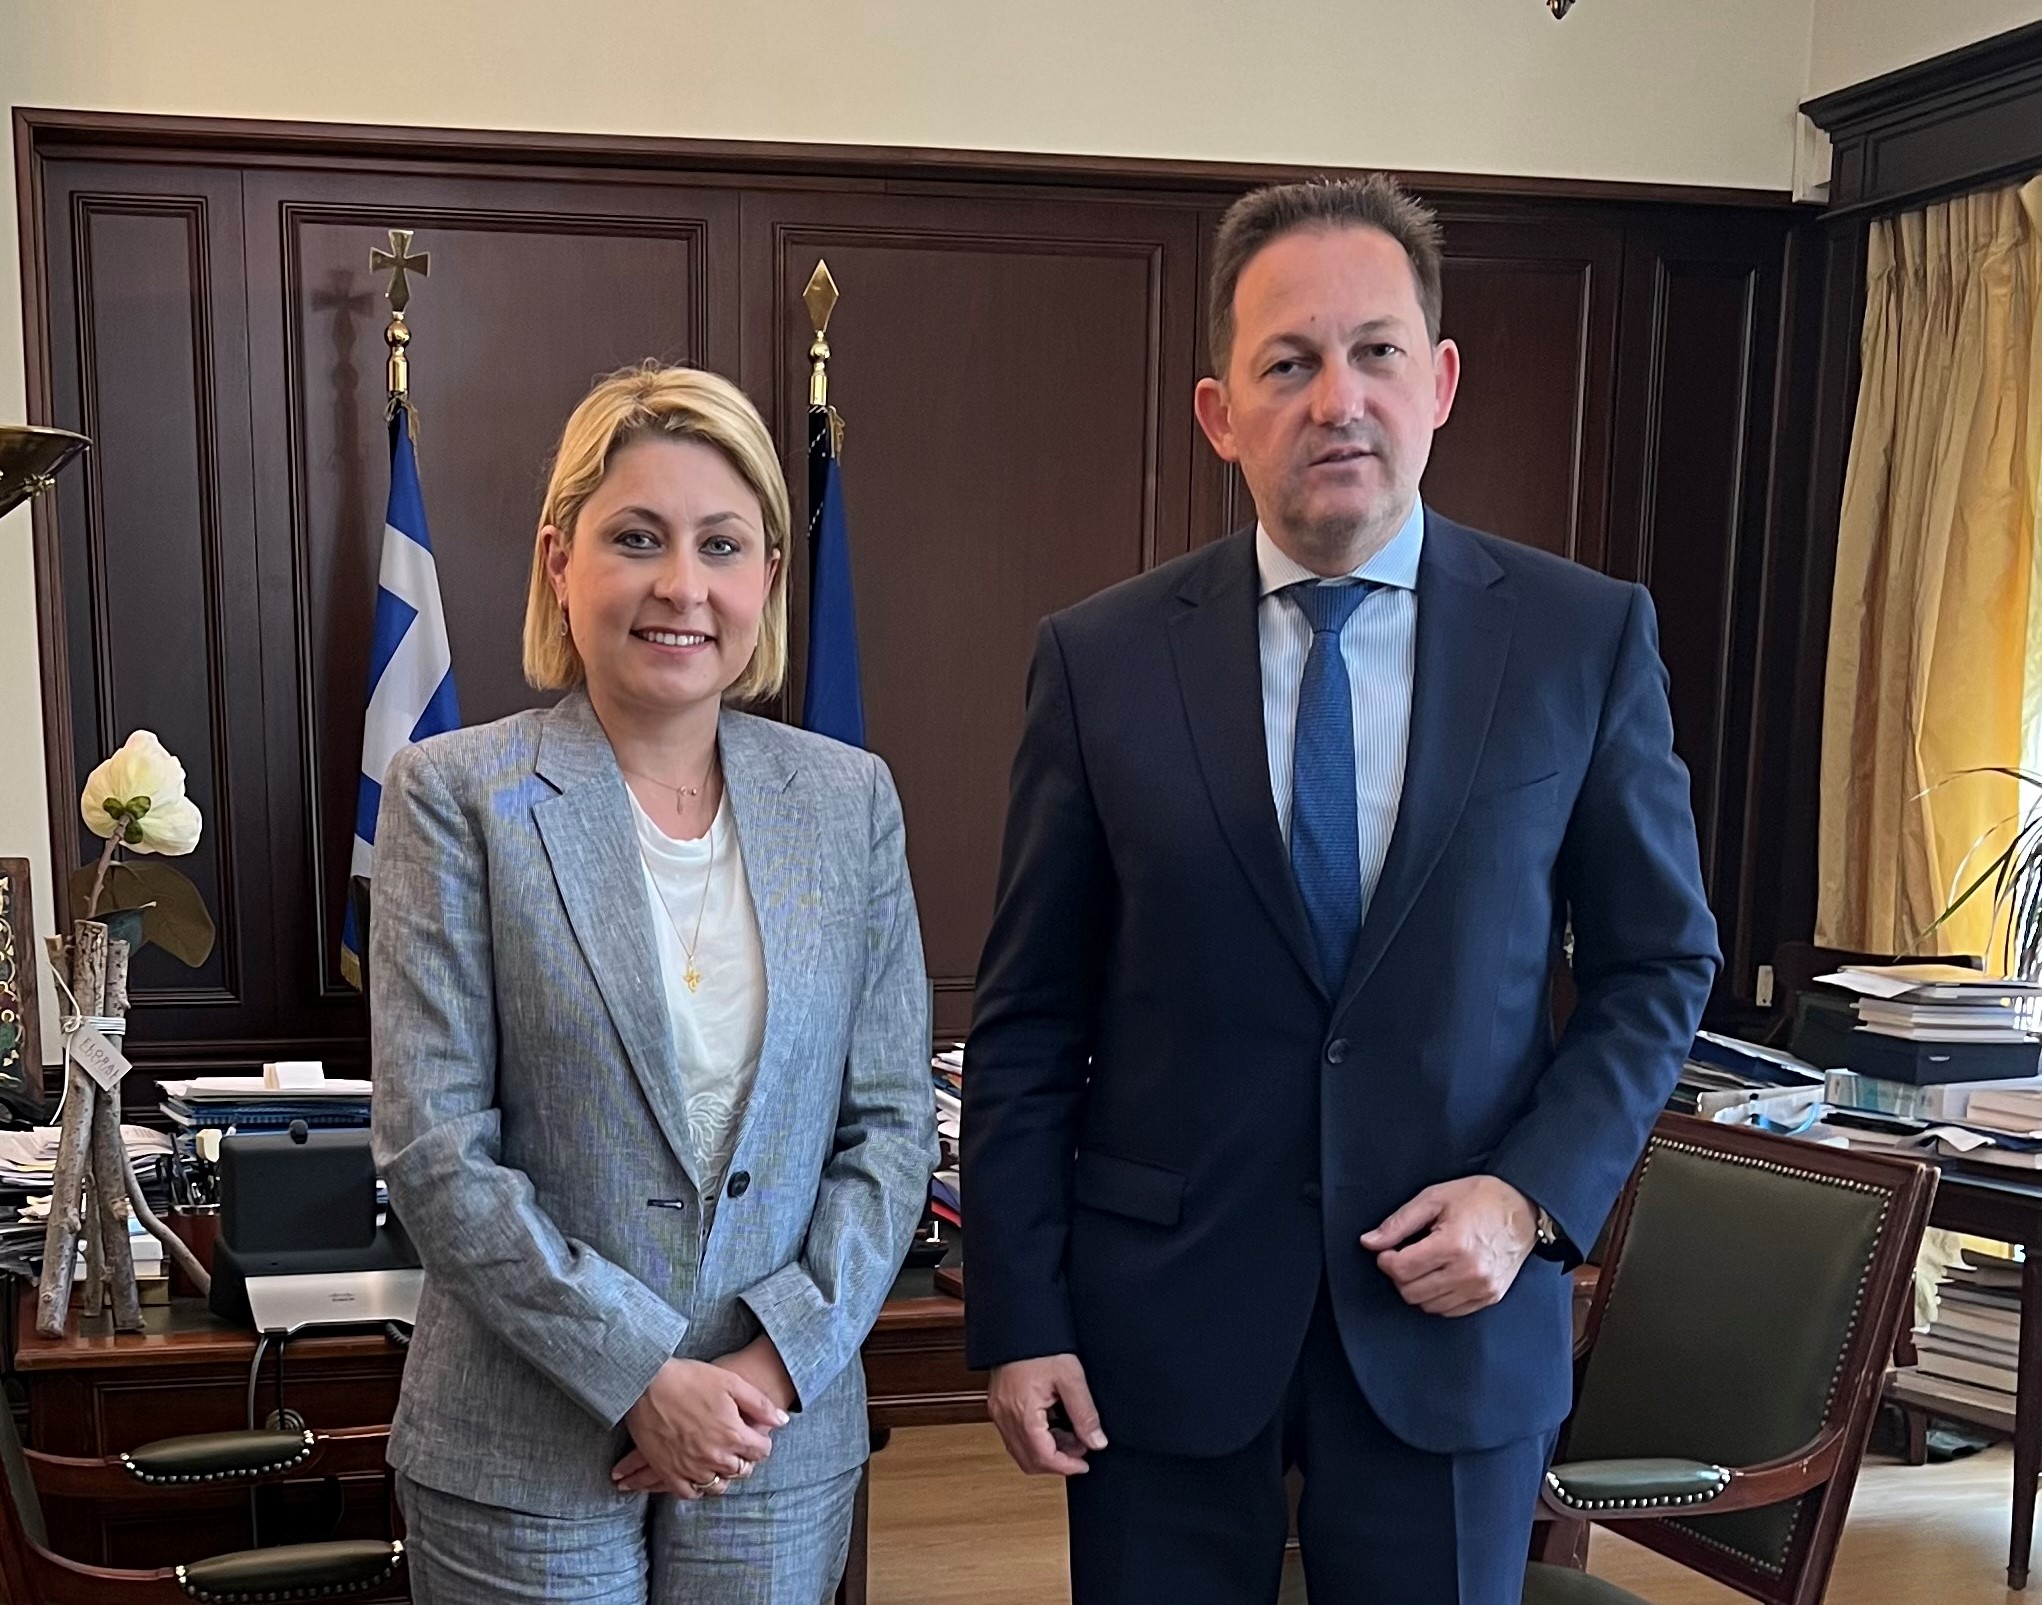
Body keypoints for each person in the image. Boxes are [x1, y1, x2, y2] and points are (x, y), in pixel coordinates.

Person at [962, 176, 1720, 1604]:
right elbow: (1026, 1022)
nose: (1336, 401)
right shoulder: (1099, 661)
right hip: (1157, 1333)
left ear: (1437, 383)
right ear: (1219, 413)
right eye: (1287, 364)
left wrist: (1527, 1197)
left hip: (1453, 1324)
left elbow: (1657, 964)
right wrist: (1019, 1313)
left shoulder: (1581, 640)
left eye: (1375, 352)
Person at [370, 363, 935, 1603]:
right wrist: (637, 1373)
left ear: (767, 577)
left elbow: (892, 1129)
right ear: (559, 561)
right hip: (524, 1447)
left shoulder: (847, 802)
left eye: (721, 544)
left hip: (771, 1441)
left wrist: (769, 1370)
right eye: (637, 538)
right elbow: (434, 1147)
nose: (682, 585)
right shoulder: (456, 794)